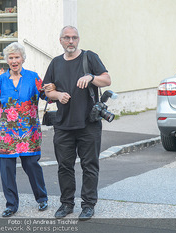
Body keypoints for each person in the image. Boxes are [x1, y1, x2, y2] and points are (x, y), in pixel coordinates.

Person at [43, 25, 111, 220]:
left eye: (74, 37)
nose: (70, 41)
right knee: (64, 166)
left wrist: (91, 77)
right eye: (66, 38)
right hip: (63, 124)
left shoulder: (90, 57)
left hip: (89, 123)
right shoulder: (55, 63)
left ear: (78, 39)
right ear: (61, 41)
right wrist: (58, 95)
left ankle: (88, 205)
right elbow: (48, 90)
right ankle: (66, 204)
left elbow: (107, 80)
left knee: (90, 165)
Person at [0, 42, 54, 217]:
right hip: (6, 134)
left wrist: (52, 90)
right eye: (11, 57)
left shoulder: (33, 77)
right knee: (6, 170)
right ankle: (11, 204)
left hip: (28, 132)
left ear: (23, 58)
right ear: (6, 60)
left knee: (32, 165)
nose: (14, 60)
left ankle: (42, 198)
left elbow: (47, 97)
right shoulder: (0, 80)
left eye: (17, 57)